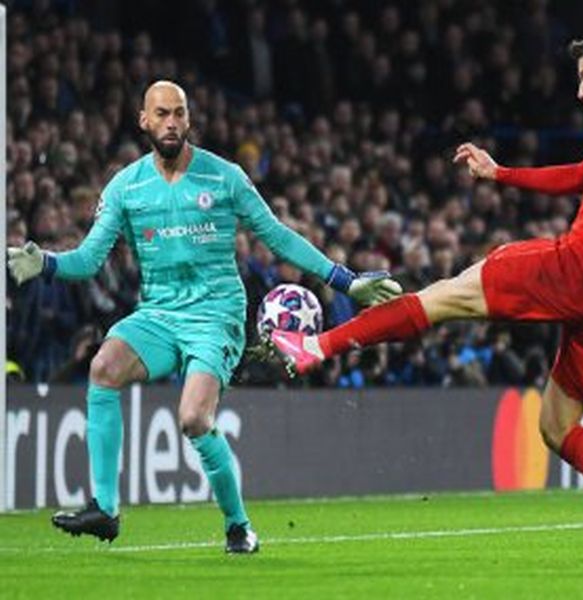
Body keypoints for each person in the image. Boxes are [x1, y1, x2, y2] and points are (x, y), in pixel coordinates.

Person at [265, 29, 583, 564]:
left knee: (445, 296)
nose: (580, 91)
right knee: (556, 427)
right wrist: (501, 173)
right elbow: (578, 176)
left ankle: (316, 347)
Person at [7, 81, 401, 553]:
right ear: (144, 120)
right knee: (103, 368)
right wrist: (46, 263)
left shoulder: (224, 177)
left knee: (193, 418)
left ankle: (238, 526)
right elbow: (90, 259)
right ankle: (105, 510)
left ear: (189, 120)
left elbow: (277, 236)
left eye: (179, 113)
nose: (171, 122)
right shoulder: (125, 187)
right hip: (158, 313)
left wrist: (346, 280)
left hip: (216, 314)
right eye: (162, 114)